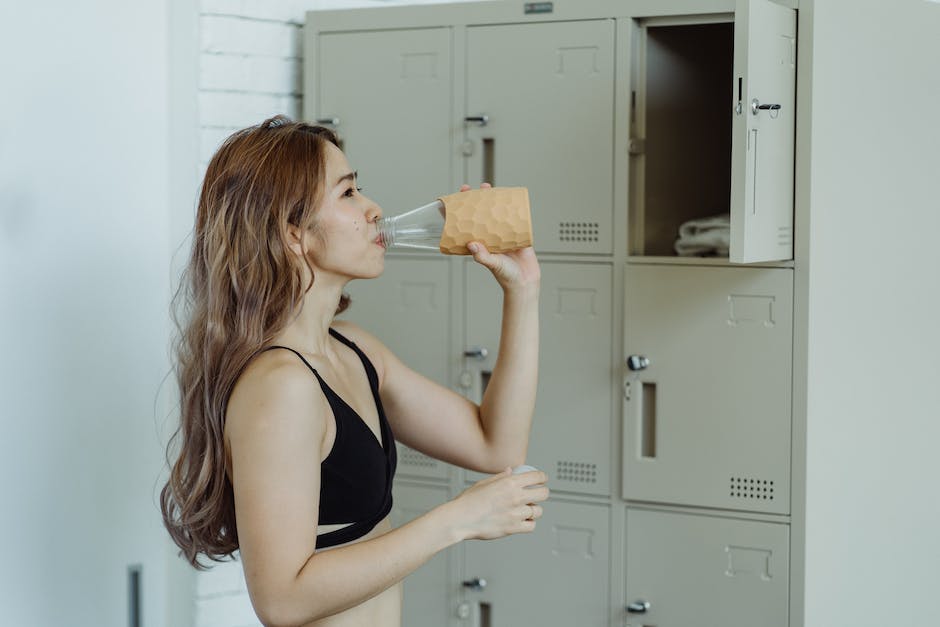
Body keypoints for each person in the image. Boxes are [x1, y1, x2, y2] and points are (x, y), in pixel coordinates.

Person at [160, 115, 547, 627]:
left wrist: (522, 294)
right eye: (347, 194)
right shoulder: (281, 387)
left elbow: (494, 445)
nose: (373, 208)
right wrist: (456, 520)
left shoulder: (354, 350)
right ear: (292, 233)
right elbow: (281, 600)